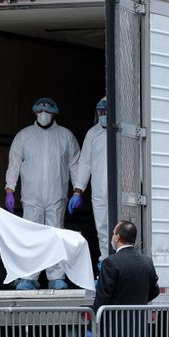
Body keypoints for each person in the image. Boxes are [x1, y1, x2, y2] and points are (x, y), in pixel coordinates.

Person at [4, 97, 81, 290]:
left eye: (47, 111)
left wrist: (77, 190)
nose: (44, 114)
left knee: (56, 235)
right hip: (32, 197)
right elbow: (14, 164)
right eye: (40, 111)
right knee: (31, 237)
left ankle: (56, 276)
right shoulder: (24, 136)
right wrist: (9, 189)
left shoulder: (66, 136)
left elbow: (75, 166)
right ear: (35, 113)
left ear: (55, 113)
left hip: (57, 196)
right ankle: (29, 276)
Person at [69, 96, 108, 266]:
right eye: (100, 111)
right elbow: (85, 163)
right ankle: (106, 266)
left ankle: (123, 267)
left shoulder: (123, 130)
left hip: (123, 192)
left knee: (123, 231)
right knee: (103, 231)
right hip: (100, 192)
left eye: (106, 111)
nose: (103, 114)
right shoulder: (93, 133)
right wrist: (78, 190)